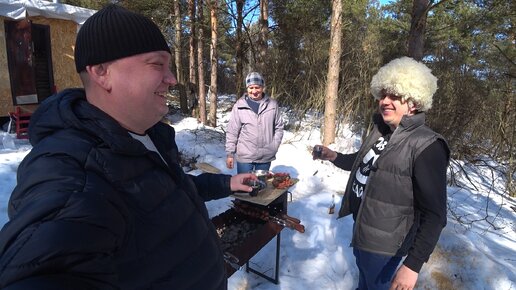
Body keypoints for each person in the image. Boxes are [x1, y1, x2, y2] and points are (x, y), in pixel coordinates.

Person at [0, 5, 256, 290]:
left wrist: (226, 183)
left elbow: (167, 191)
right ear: (101, 72)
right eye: (157, 64)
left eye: (169, 66)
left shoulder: (143, 135)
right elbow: (45, 263)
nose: (171, 79)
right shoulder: (72, 172)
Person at [313, 57, 450, 290]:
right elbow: (362, 163)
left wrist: (412, 266)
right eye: (383, 94)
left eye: (395, 96)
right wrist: (333, 156)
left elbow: (435, 215)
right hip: (363, 233)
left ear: (414, 102)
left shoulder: (427, 146)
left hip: (387, 247)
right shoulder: (382, 131)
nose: (385, 101)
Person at [225, 72, 284, 173]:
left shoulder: (272, 105)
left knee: (261, 186)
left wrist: (274, 145)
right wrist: (230, 153)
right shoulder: (239, 106)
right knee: (243, 186)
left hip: (265, 156)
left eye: (257, 87)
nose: (254, 91)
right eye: (251, 88)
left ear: (262, 87)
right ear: (247, 88)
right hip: (245, 157)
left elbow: (279, 127)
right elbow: (232, 131)